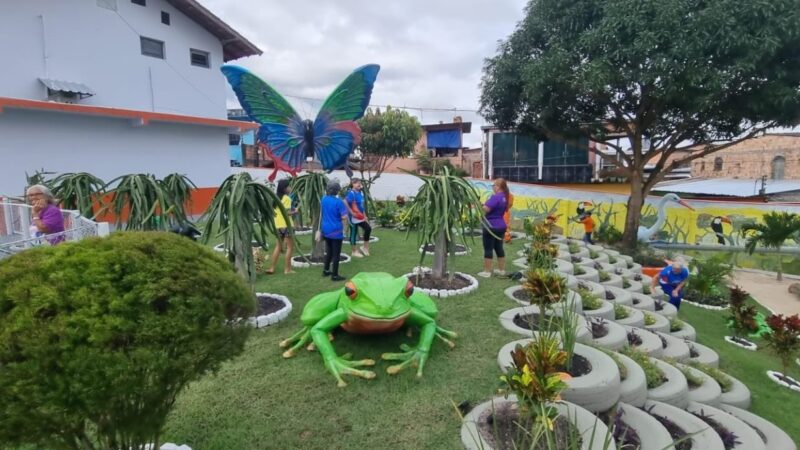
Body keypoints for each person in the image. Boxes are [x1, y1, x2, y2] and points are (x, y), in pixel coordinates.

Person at [478, 178, 509, 278]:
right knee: (499, 247)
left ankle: (487, 272)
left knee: (488, 248)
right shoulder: (504, 197)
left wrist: (478, 204)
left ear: (498, 187)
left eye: (493, 185)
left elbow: (486, 209)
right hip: (501, 225)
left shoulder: (495, 197)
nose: (493, 187)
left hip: (491, 226)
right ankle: (501, 270)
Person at [319, 181, 349, 281]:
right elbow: (344, 217)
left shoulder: (323, 199)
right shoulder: (339, 202)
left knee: (329, 251)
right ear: (337, 191)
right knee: (336, 254)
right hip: (336, 230)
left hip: (325, 229)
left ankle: (326, 270)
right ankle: (335, 275)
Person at [266, 179, 296, 275]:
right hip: (287, 225)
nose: (290, 188)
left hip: (278, 225)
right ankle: (287, 269)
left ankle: (272, 268)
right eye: (289, 186)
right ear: (284, 188)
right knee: (290, 248)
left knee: (278, 247)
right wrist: (295, 211)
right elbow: (287, 213)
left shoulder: (275, 198)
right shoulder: (287, 199)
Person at [345, 178, 372, 258]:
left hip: (360, 216)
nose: (359, 184)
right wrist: (351, 212)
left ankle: (365, 247)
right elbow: (345, 201)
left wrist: (364, 215)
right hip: (353, 217)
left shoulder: (360, 193)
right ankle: (354, 251)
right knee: (353, 233)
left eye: (359, 183)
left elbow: (361, 206)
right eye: (356, 183)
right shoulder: (351, 193)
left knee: (368, 228)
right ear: (352, 184)